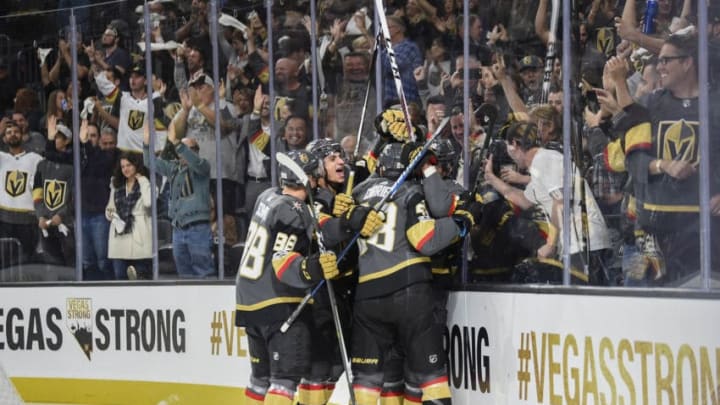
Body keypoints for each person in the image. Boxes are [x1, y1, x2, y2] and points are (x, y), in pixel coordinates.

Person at [350, 142, 467, 405]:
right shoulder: (413, 190)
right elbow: (426, 238)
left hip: (367, 296)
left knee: (368, 384)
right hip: (408, 289)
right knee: (431, 377)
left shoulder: (359, 192)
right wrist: (461, 222)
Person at [605, 33, 720, 285]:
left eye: (666, 60)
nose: (660, 67)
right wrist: (662, 165)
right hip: (646, 234)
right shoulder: (649, 104)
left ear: (688, 62)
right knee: (636, 301)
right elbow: (634, 161)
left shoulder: (715, 104)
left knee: (697, 309)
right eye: (659, 60)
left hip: (703, 230)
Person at [235, 150, 340, 405]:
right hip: (279, 304)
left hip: (248, 301)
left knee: (260, 380)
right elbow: (283, 262)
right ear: (309, 178)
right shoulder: (294, 210)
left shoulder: (266, 196)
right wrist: (313, 268)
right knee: (284, 381)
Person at [483, 121, 612, 284]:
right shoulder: (538, 167)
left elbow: (561, 201)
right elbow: (522, 200)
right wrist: (491, 178)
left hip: (586, 243)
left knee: (590, 303)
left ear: (515, 144)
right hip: (575, 246)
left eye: (509, 146)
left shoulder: (546, 159)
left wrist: (551, 244)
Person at [144, 121, 214, 279]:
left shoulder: (203, 166)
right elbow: (149, 162)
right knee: (184, 274)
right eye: (178, 150)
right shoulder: (174, 168)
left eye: (184, 149)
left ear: (195, 151)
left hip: (198, 227)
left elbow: (195, 163)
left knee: (203, 272)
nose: (180, 153)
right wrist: (147, 143)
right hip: (178, 228)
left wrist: (176, 142)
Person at [80, 121, 119, 280]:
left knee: (103, 261)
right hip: (82, 213)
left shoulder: (111, 157)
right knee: (87, 261)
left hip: (100, 215)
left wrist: (86, 144)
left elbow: (101, 163)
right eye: (87, 136)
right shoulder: (84, 157)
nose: (90, 139)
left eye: (93, 136)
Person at [0, 120, 44, 264]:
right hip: (4, 220)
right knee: (6, 261)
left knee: (26, 261)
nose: (12, 135)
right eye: (8, 133)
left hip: (28, 219)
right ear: (4, 138)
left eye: (16, 132)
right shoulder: (2, 158)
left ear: (23, 135)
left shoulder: (35, 159)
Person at [33, 117, 75, 266]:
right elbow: (37, 192)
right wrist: (40, 216)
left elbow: (73, 197)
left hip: (66, 224)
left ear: (67, 140)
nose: (53, 140)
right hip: (45, 222)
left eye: (57, 137)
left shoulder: (73, 166)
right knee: (51, 263)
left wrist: (61, 215)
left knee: (70, 263)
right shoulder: (41, 165)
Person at [105, 152, 152, 280]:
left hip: (139, 234)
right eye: (123, 166)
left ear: (136, 165)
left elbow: (149, 203)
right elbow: (110, 207)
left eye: (129, 165)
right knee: (120, 276)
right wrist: (110, 214)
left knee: (140, 278)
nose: (125, 169)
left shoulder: (146, 183)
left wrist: (142, 180)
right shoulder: (116, 184)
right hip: (119, 235)